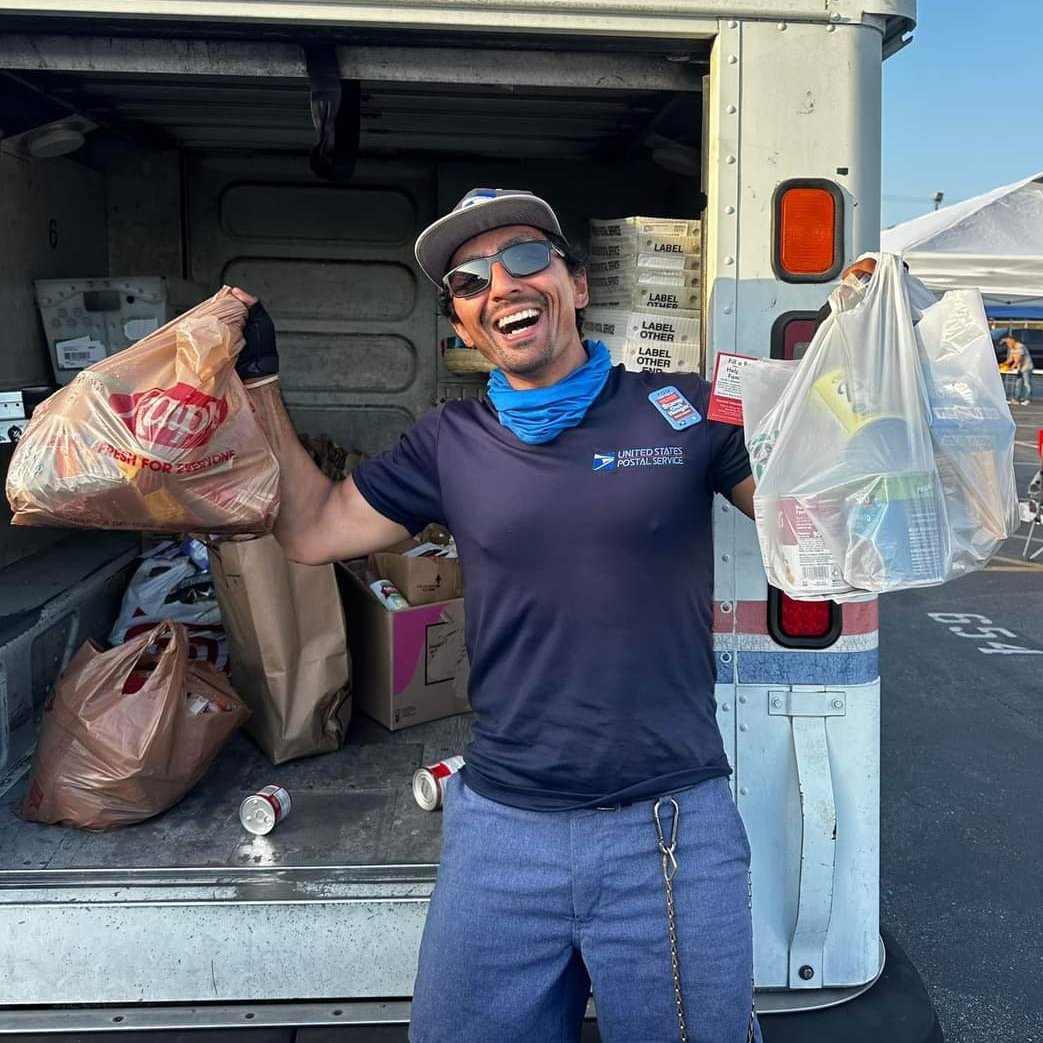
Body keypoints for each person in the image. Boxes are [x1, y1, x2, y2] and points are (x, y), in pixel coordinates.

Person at [232, 188, 763, 1043]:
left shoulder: (687, 409)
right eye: (469, 281)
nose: (501, 286)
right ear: (463, 326)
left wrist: (855, 385)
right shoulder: (448, 442)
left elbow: (813, 518)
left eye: (523, 257)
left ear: (576, 284)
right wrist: (259, 383)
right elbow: (311, 530)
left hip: (669, 829)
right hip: (502, 833)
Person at [1000, 334, 1033, 405]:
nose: (1007, 344)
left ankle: (1026, 399)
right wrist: (1003, 365)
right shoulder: (1012, 348)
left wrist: (1012, 367)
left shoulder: (1020, 346)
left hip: (1026, 367)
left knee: (1026, 383)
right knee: (1018, 384)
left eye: (1008, 342)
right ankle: (1016, 399)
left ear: (1013, 341)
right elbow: (1010, 358)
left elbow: (1018, 359)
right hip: (1019, 368)